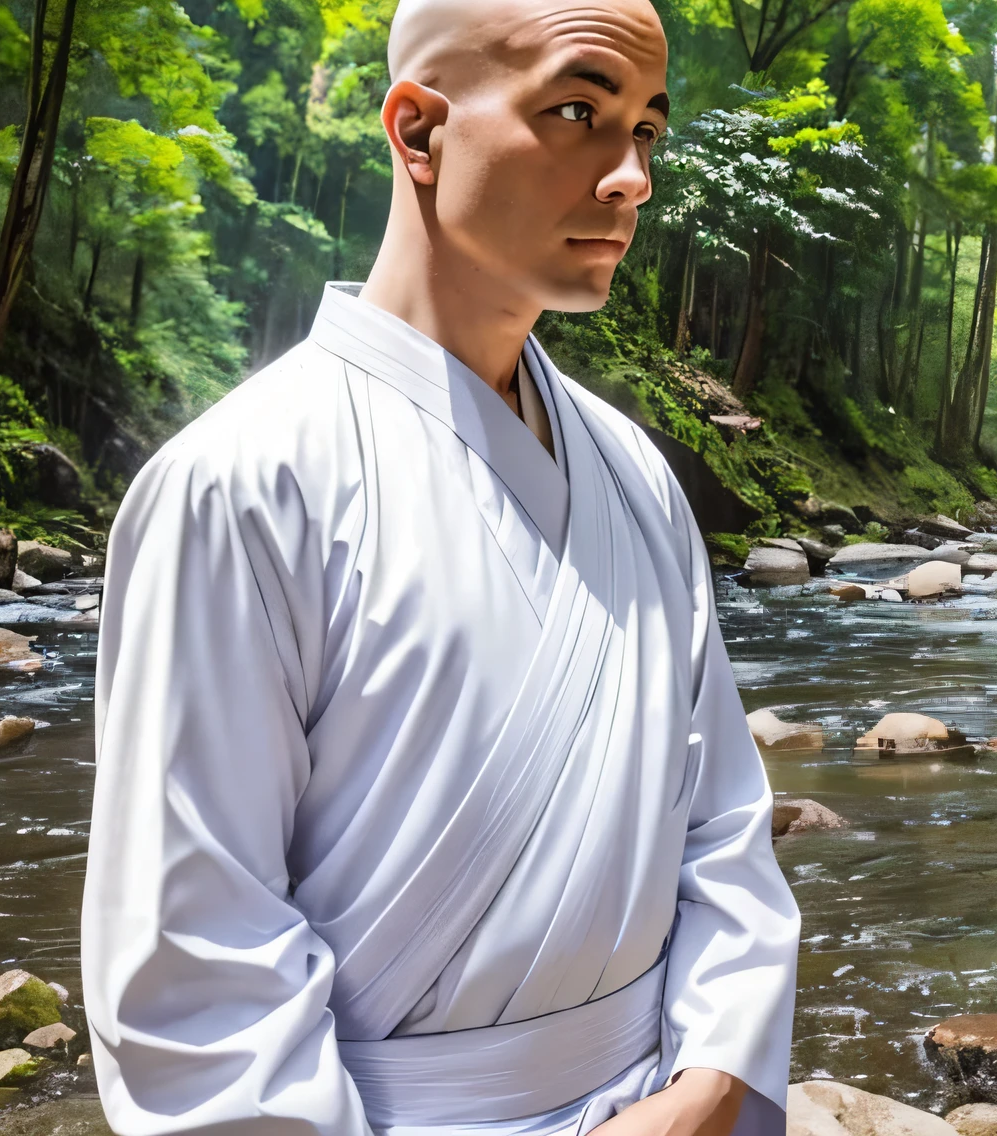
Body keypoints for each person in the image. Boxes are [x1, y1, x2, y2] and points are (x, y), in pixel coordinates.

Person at [78, 0, 799, 1131]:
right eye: (578, 111)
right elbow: (195, 960)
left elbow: (719, 831)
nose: (631, 177)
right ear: (417, 131)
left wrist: (710, 1085)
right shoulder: (240, 483)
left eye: (647, 131)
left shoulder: (633, 474)